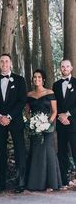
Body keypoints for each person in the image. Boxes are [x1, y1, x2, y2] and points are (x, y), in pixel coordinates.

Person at [0, 54, 27, 193]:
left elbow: (22, 101)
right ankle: (0, 182)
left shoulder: (19, 80)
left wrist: (9, 116)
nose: (4, 63)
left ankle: (21, 182)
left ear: (11, 63)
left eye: (7, 61)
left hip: (15, 120)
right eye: (2, 61)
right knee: (0, 150)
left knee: (19, 150)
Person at [26, 69, 62, 191]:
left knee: (48, 152)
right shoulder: (29, 95)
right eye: (35, 77)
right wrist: (33, 123)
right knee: (36, 152)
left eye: (39, 77)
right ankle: (36, 183)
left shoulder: (49, 92)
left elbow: (54, 111)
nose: (37, 79)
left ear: (44, 79)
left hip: (48, 127)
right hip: (35, 128)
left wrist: (47, 123)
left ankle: (51, 183)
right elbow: (27, 112)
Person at [53, 59, 76, 187]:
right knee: (62, 152)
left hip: (74, 123)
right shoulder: (55, 85)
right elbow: (53, 104)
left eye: (67, 66)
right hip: (61, 124)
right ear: (60, 68)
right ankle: (64, 179)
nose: (65, 68)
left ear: (71, 68)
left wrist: (67, 115)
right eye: (62, 66)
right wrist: (60, 116)